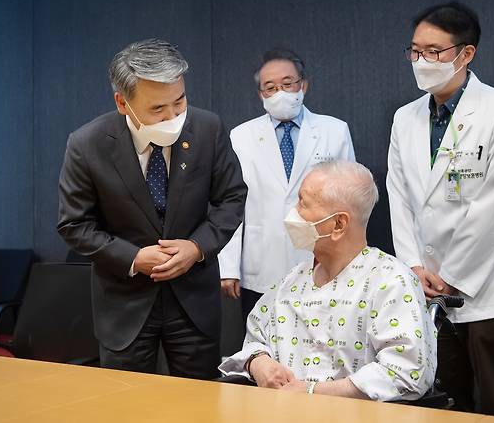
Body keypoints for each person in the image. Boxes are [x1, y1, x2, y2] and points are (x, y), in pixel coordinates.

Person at [57, 38, 247, 379]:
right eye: (157, 109)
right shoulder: (87, 144)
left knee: (199, 403)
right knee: (125, 404)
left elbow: (231, 198)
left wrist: (197, 247)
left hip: (194, 301)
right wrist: (131, 258)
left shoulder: (207, 128)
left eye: (180, 101)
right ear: (122, 102)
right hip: (124, 304)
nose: (173, 116)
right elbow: (74, 224)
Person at [386, 2, 494, 418]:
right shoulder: (405, 118)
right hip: (427, 284)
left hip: (487, 284)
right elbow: (398, 196)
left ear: (465, 54)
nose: (422, 61)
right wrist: (413, 265)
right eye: (415, 51)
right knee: (445, 402)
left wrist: (454, 277)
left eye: (434, 51)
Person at [219, 161, 436, 401]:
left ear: (338, 224)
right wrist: (258, 363)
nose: (293, 212)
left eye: (302, 203)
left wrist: (312, 392)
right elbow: (255, 338)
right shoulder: (292, 281)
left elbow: (407, 372)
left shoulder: (391, 282)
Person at [218, 48, 355, 322]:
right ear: (261, 94)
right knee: (262, 342)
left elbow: (350, 201)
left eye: (288, 83)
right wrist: (228, 267)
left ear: (303, 85)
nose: (280, 92)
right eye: (270, 87)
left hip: (319, 256)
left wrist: (348, 260)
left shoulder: (334, 130)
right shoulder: (241, 136)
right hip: (261, 260)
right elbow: (230, 203)